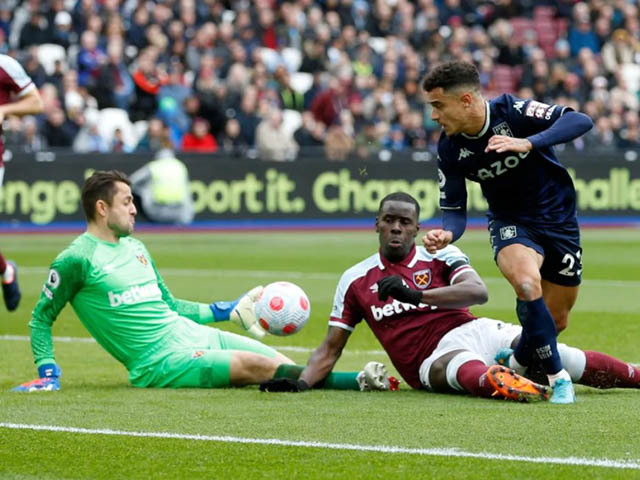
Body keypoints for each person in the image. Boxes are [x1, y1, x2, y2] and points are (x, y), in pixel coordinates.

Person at [12, 170, 384, 393]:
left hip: (188, 333)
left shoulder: (136, 246)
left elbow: (170, 307)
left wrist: (228, 310)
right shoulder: (77, 258)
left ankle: (354, 382)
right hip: (159, 362)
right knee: (257, 365)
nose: (135, 208)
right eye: (127, 201)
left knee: (278, 361)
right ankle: (360, 381)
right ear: (101, 207)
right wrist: (48, 373)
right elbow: (41, 318)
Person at [260, 193, 640, 402]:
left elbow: (478, 290)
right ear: (376, 224)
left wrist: (416, 293)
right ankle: (513, 383)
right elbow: (331, 347)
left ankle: (635, 377)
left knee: (566, 358)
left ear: (416, 228)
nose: (396, 227)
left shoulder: (438, 253)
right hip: (430, 360)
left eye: (404, 222)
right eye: (388, 219)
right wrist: (303, 384)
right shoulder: (356, 280)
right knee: (462, 370)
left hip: (476, 330)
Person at [419, 61, 594, 404]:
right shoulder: (449, 148)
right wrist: (447, 235)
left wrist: (528, 143)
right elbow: (454, 211)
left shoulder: (512, 110)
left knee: (556, 321)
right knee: (527, 285)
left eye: (439, 106)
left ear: (466, 100)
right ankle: (559, 379)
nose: (434, 117)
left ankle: (516, 361)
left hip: (559, 220)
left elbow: (579, 120)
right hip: (511, 222)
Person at [0, 53, 44, 312]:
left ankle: (7, 272)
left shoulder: (5, 65)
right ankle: (6, 270)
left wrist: (5, 109)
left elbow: (37, 103)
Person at [129, 149, 195, 225]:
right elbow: (188, 192)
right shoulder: (181, 166)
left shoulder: (153, 166)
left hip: (157, 212)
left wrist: (139, 191)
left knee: (145, 188)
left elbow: (131, 181)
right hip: (179, 214)